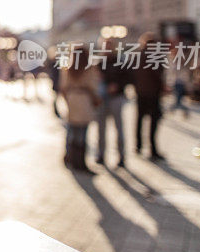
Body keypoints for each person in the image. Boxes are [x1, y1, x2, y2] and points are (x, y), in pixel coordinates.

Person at [60, 43, 100, 174]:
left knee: (72, 131)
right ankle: (80, 162)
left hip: (72, 100)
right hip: (84, 100)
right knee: (82, 133)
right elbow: (94, 85)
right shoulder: (90, 69)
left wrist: (68, 100)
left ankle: (70, 158)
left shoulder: (67, 69)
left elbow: (63, 88)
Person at [96, 39, 129, 168]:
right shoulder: (98, 62)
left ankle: (121, 156)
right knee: (101, 129)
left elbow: (127, 77)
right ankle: (101, 154)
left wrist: (117, 86)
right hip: (102, 99)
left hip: (116, 97)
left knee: (119, 128)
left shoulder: (120, 61)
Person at [132, 32, 165, 161]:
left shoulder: (137, 55)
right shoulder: (155, 56)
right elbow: (158, 74)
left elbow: (132, 74)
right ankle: (152, 149)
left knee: (140, 119)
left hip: (141, 92)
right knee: (153, 121)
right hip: (153, 93)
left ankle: (138, 145)